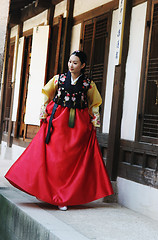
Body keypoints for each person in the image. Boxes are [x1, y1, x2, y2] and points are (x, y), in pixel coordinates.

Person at [5, 50, 113, 211]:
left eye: (75, 63)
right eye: (70, 62)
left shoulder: (88, 84)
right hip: (58, 121)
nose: (71, 65)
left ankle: (65, 196)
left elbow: (94, 103)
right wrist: (43, 112)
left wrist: (94, 120)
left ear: (82, 65)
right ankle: (50, 193)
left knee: (71, 160)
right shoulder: (59, 79)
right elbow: (46, 95)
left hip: (79, 124)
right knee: (54, 157)